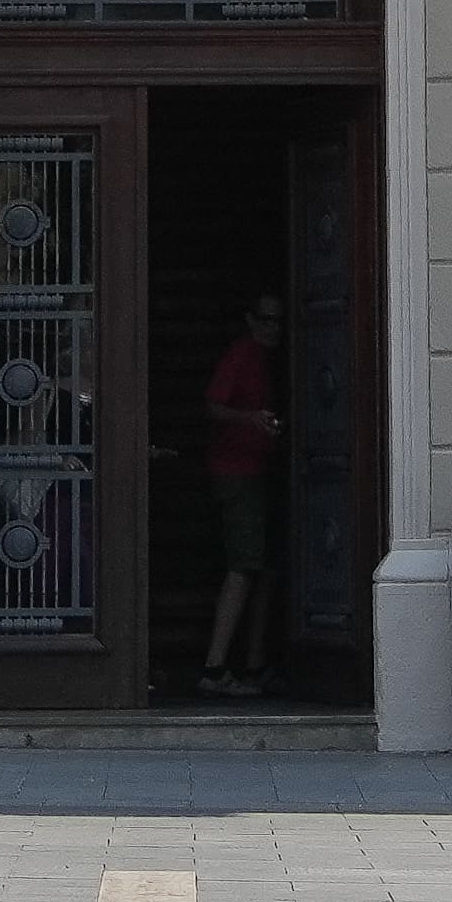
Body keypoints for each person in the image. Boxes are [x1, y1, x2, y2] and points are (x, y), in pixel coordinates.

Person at [188, 293, 287, 695]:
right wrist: (249, 420)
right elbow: (212, 405)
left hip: (258, 472)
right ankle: (214, 668)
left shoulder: (266, 360)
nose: (273, 328)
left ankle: (253, 664)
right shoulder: (241, 356)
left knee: (262, 568)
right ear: (250, 320)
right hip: (237, 474)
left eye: (279, 321)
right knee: (243, 565)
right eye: (265, 319)